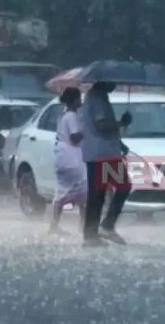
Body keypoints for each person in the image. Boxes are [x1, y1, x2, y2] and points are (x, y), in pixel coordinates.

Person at [79, 82, 132, 246]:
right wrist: (122, 123)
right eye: (112, 81)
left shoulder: (93, 97)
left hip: (98, 153)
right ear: (104, 81)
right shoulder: (98, 99)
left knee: (97, 194)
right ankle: (106, 226)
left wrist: (119, 143)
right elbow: (102, 125)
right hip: (104, 154)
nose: (115, 85)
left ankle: (91, 234)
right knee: (123, 187)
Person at [50, 87, 87, 235]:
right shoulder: (71, 116)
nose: (81, 101)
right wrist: (86, 130)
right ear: (75, 100)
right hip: (71, 158)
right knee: (83, 192)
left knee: (63, 193)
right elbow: (74, 137)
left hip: (63, 158)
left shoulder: (65, 114)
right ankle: (85, 225)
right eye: (79, 98)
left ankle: (54, 226)